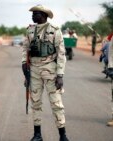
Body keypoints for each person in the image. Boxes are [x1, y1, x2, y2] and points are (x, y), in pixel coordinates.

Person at [22, 5, 69, 141]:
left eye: (35, 13)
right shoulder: (30, 30)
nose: (32, 15)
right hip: (34, 71)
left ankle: (63, 136)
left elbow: (61, 54)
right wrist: (24, 66)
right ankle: (37, 135)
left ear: (43, 15)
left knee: (56, 104)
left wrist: (60, 75)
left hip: (50, 70)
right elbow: (25, 49)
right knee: (35, 103)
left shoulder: (55, 31)